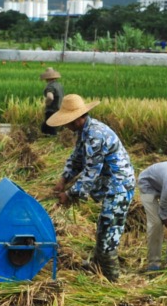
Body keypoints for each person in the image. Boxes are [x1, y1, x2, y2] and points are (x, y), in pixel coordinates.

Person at [49, 94, 136, 282]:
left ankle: (113, 281)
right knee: (102, 228)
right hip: (109, 184)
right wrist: (63, 180)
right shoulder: (83, 133)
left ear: (79, 117)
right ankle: (98, 268)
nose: (66, 125)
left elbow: (90, 173)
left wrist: (69, 194)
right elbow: (76, 159)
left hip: (119, 186)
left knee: (108, 232)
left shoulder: (96, 135)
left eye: (68, 121)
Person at [39, 67, 63, 136]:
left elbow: (50, 97)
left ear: (47, 78)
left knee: (50, 128)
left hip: (51, 110)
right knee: (46, 127)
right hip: (59, 109)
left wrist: (46, 103)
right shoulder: (59, 85)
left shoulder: (50, 87)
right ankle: (48, 140)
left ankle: (51, 142)